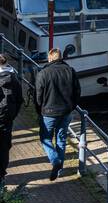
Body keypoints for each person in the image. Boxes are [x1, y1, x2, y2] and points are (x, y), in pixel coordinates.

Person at [35, 48, 81, 181]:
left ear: (50, 58)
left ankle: (55, 161)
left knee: (45, 138)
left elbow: (38, 95)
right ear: (61, 58)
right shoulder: (70, 71)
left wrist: (39, 110)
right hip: (66, 111)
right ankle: (59, 170)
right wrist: (72, 106)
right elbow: (77, 92)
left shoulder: (43, 73)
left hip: (48, 112)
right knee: (61, 139)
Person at [0, 53, 24, 189]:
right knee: (4, 147)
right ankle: (2, 174)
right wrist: (12, 115)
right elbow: (19, 99)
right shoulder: (14, 79)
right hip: (7, 119)